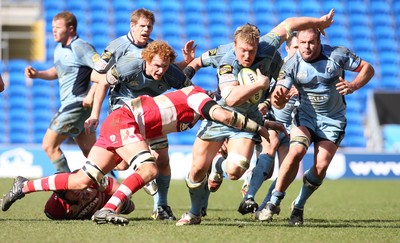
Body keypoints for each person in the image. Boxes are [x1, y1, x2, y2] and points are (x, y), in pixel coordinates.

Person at [1, 40, 287, 227]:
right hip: (123, 120)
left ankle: (23, 186)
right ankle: (108, 209)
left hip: (123, 124)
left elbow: (221, 121)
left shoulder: (195, 100)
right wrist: (262, 128)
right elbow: (224, 114)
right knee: (148, 168)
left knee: (82, 179)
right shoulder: (197, 96)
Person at [176, 10, 335, 226]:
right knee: (196, 171)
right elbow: (230, 98)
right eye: (243, 51)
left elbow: (288, 22)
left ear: (258, 46)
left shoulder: (268, 48)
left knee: (236, 168)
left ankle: (219, 167)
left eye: (251, 51)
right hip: (220, 115)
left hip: (247, 119)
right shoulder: (227, 59)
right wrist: (259, 85)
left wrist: (320, 22)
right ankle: (195, 212)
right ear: (234, 46)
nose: (247, 56)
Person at [258, 28, 375, 225]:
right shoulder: (292, 64)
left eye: (311, 42)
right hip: (305, 116)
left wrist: (353, 85)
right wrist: (279, 99)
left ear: (319, 42)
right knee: (296, 150)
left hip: (333, 119)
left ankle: (299, 205)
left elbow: (368, 68)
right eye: (302, 43)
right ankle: (274, 201)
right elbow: (278, 99)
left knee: (320, 167)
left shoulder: (337, 55)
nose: (306, 47)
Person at [89, 8, 197, 221]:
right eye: (142, 26)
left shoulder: (157, 54)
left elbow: (179, 82)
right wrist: (93, 111)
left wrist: (185, 64)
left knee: (162, 160)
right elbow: (97, 75)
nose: (146, 30)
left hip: (152, 111)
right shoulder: (121, 52)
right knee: (121, 164)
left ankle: (162, 206)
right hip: (124, 110)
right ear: (132, 26)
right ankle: (122, 180)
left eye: (149, 26)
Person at [24, 11, 99, 173]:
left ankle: (67, 191)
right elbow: (58, 71)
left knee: (49, 145)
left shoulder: (81, 47)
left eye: (58, 27)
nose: (54, 31)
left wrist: (91, 95)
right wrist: (38, 74)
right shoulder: (59, 48)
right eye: (52, 27)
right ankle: (111, 189)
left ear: (71, 29)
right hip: (76, 106)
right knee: (94, 156)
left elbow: (103, 71)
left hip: (77, 104)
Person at [239, 33, 300, 216]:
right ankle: (248, 197)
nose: (300, 50)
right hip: (273, 122)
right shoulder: (278, 69)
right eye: (296, 47)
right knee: (271, 144)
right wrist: (267, 104)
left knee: (285, 169)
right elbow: (264, 92)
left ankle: (266, 204)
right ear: (288, 48)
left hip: (295, 128)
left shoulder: (309, 70)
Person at [44, 173, 135, 220]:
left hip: (106, 200)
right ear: (62, 196)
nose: (75, 190)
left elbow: (121, 190)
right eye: (70, 189)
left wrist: (113, 214)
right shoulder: (54, 210)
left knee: (129, 206)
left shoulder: (87, 178)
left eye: (74, 185)